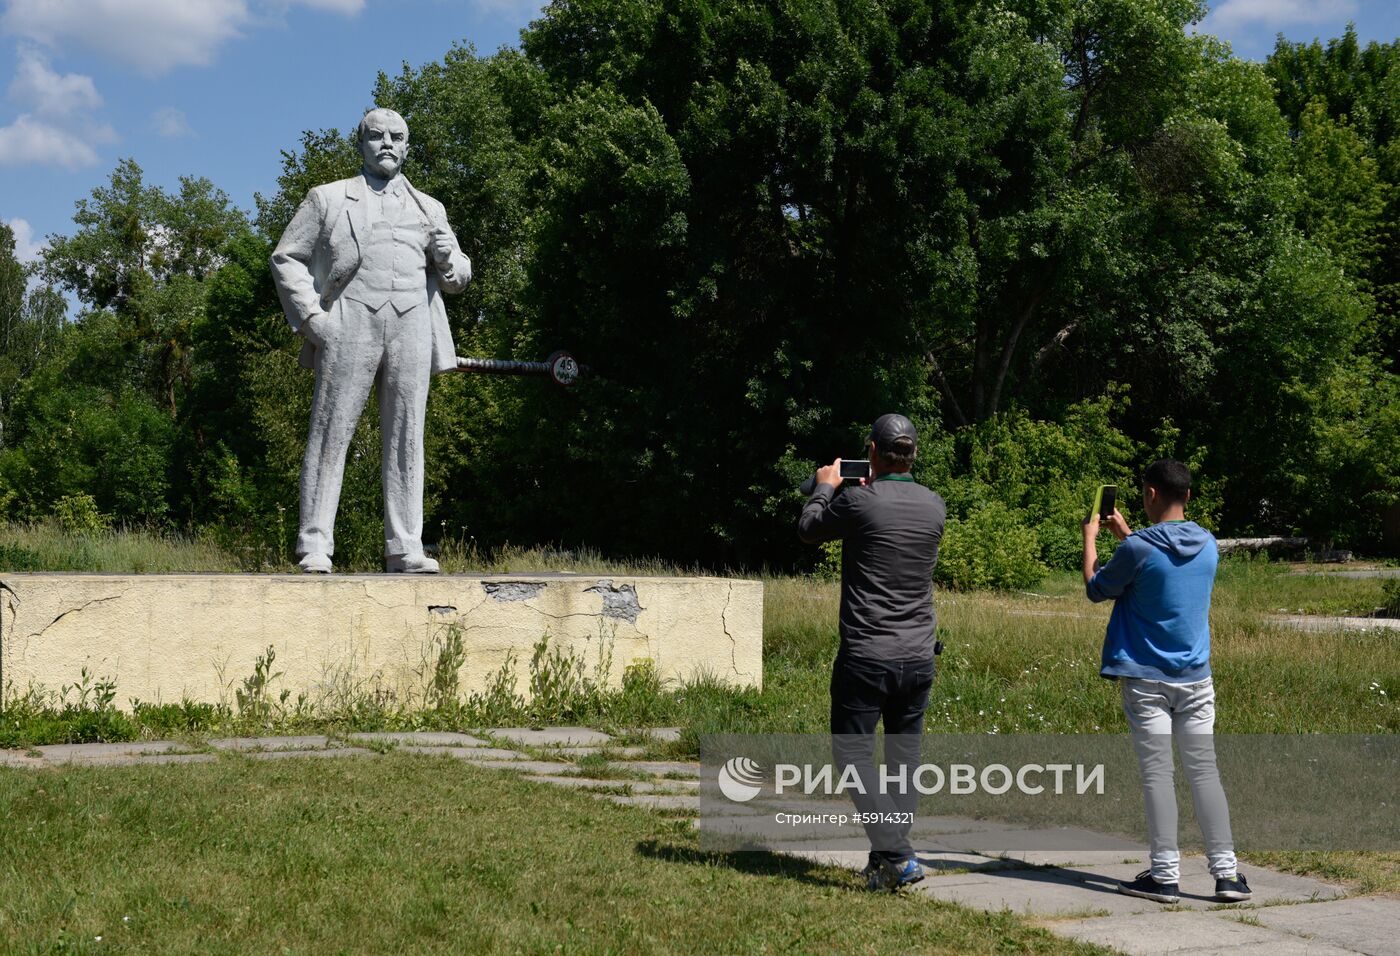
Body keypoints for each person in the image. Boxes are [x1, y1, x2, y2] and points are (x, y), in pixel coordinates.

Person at [270, 107, 472, 574]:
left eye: (396, 137)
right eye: (376, 136)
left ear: (406, 146)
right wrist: (312, 320)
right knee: (330, 432)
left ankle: (405, 545)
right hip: (350, 320)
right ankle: (315, 543)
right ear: (360, 144)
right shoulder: (328, 199)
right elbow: (286, 258)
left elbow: (459, 277)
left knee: (407, 436)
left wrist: (447, 260)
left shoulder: (430, 207)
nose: (386, 143)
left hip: (412, 326)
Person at [1083, 459, 1251, 904]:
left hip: (1146, 680)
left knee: (1159, 776)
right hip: (1197, 679)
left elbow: (1097, 587)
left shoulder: (1138, 550)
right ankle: (1228, 875)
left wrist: (1091, 538)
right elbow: (1164, 564)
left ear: (1151, 494)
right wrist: (1129, 535)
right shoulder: (1210, 545)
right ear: (1188, 497)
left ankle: (1165, 877)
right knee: (1205, 774)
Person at [798, 414, 946, 891]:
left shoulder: (858, 500)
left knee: (852, 756)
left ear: (873, 451)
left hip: (868, 653)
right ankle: (885, 860)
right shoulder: (935, 505)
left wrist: (826, 485)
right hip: (919, 654)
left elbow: (809, 527)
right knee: (904, 761)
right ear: (914, 454)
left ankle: (899, 855)